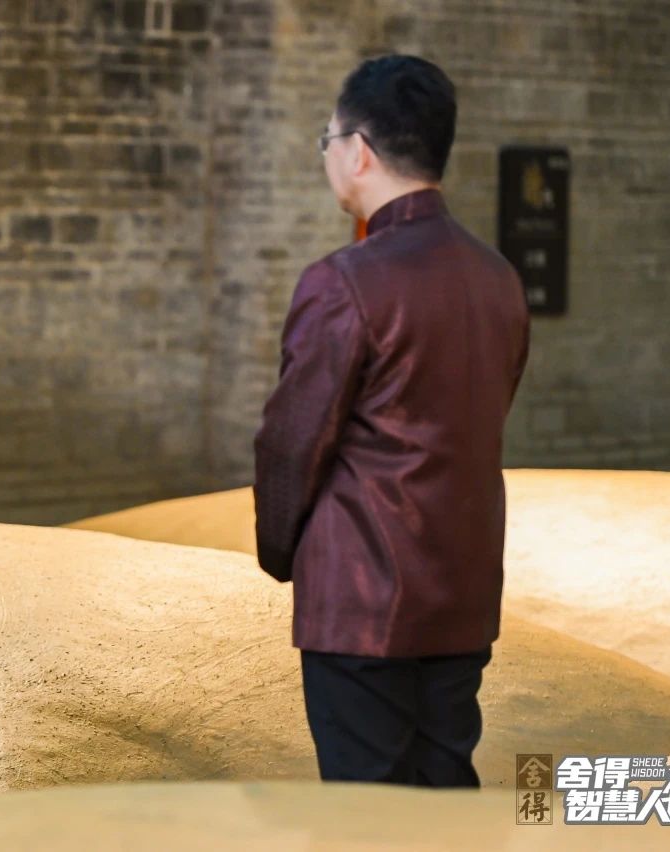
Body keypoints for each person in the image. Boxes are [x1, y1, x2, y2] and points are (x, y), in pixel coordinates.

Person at [253, 55, 529, 788]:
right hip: (463, 592)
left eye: (328, 140)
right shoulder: (498, 278)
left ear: (359, 150)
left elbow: (292, 444)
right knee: (443, 796)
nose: (328, 157)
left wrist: (282, 552)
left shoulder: (344, 282)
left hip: (361, 601)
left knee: (366, 817)